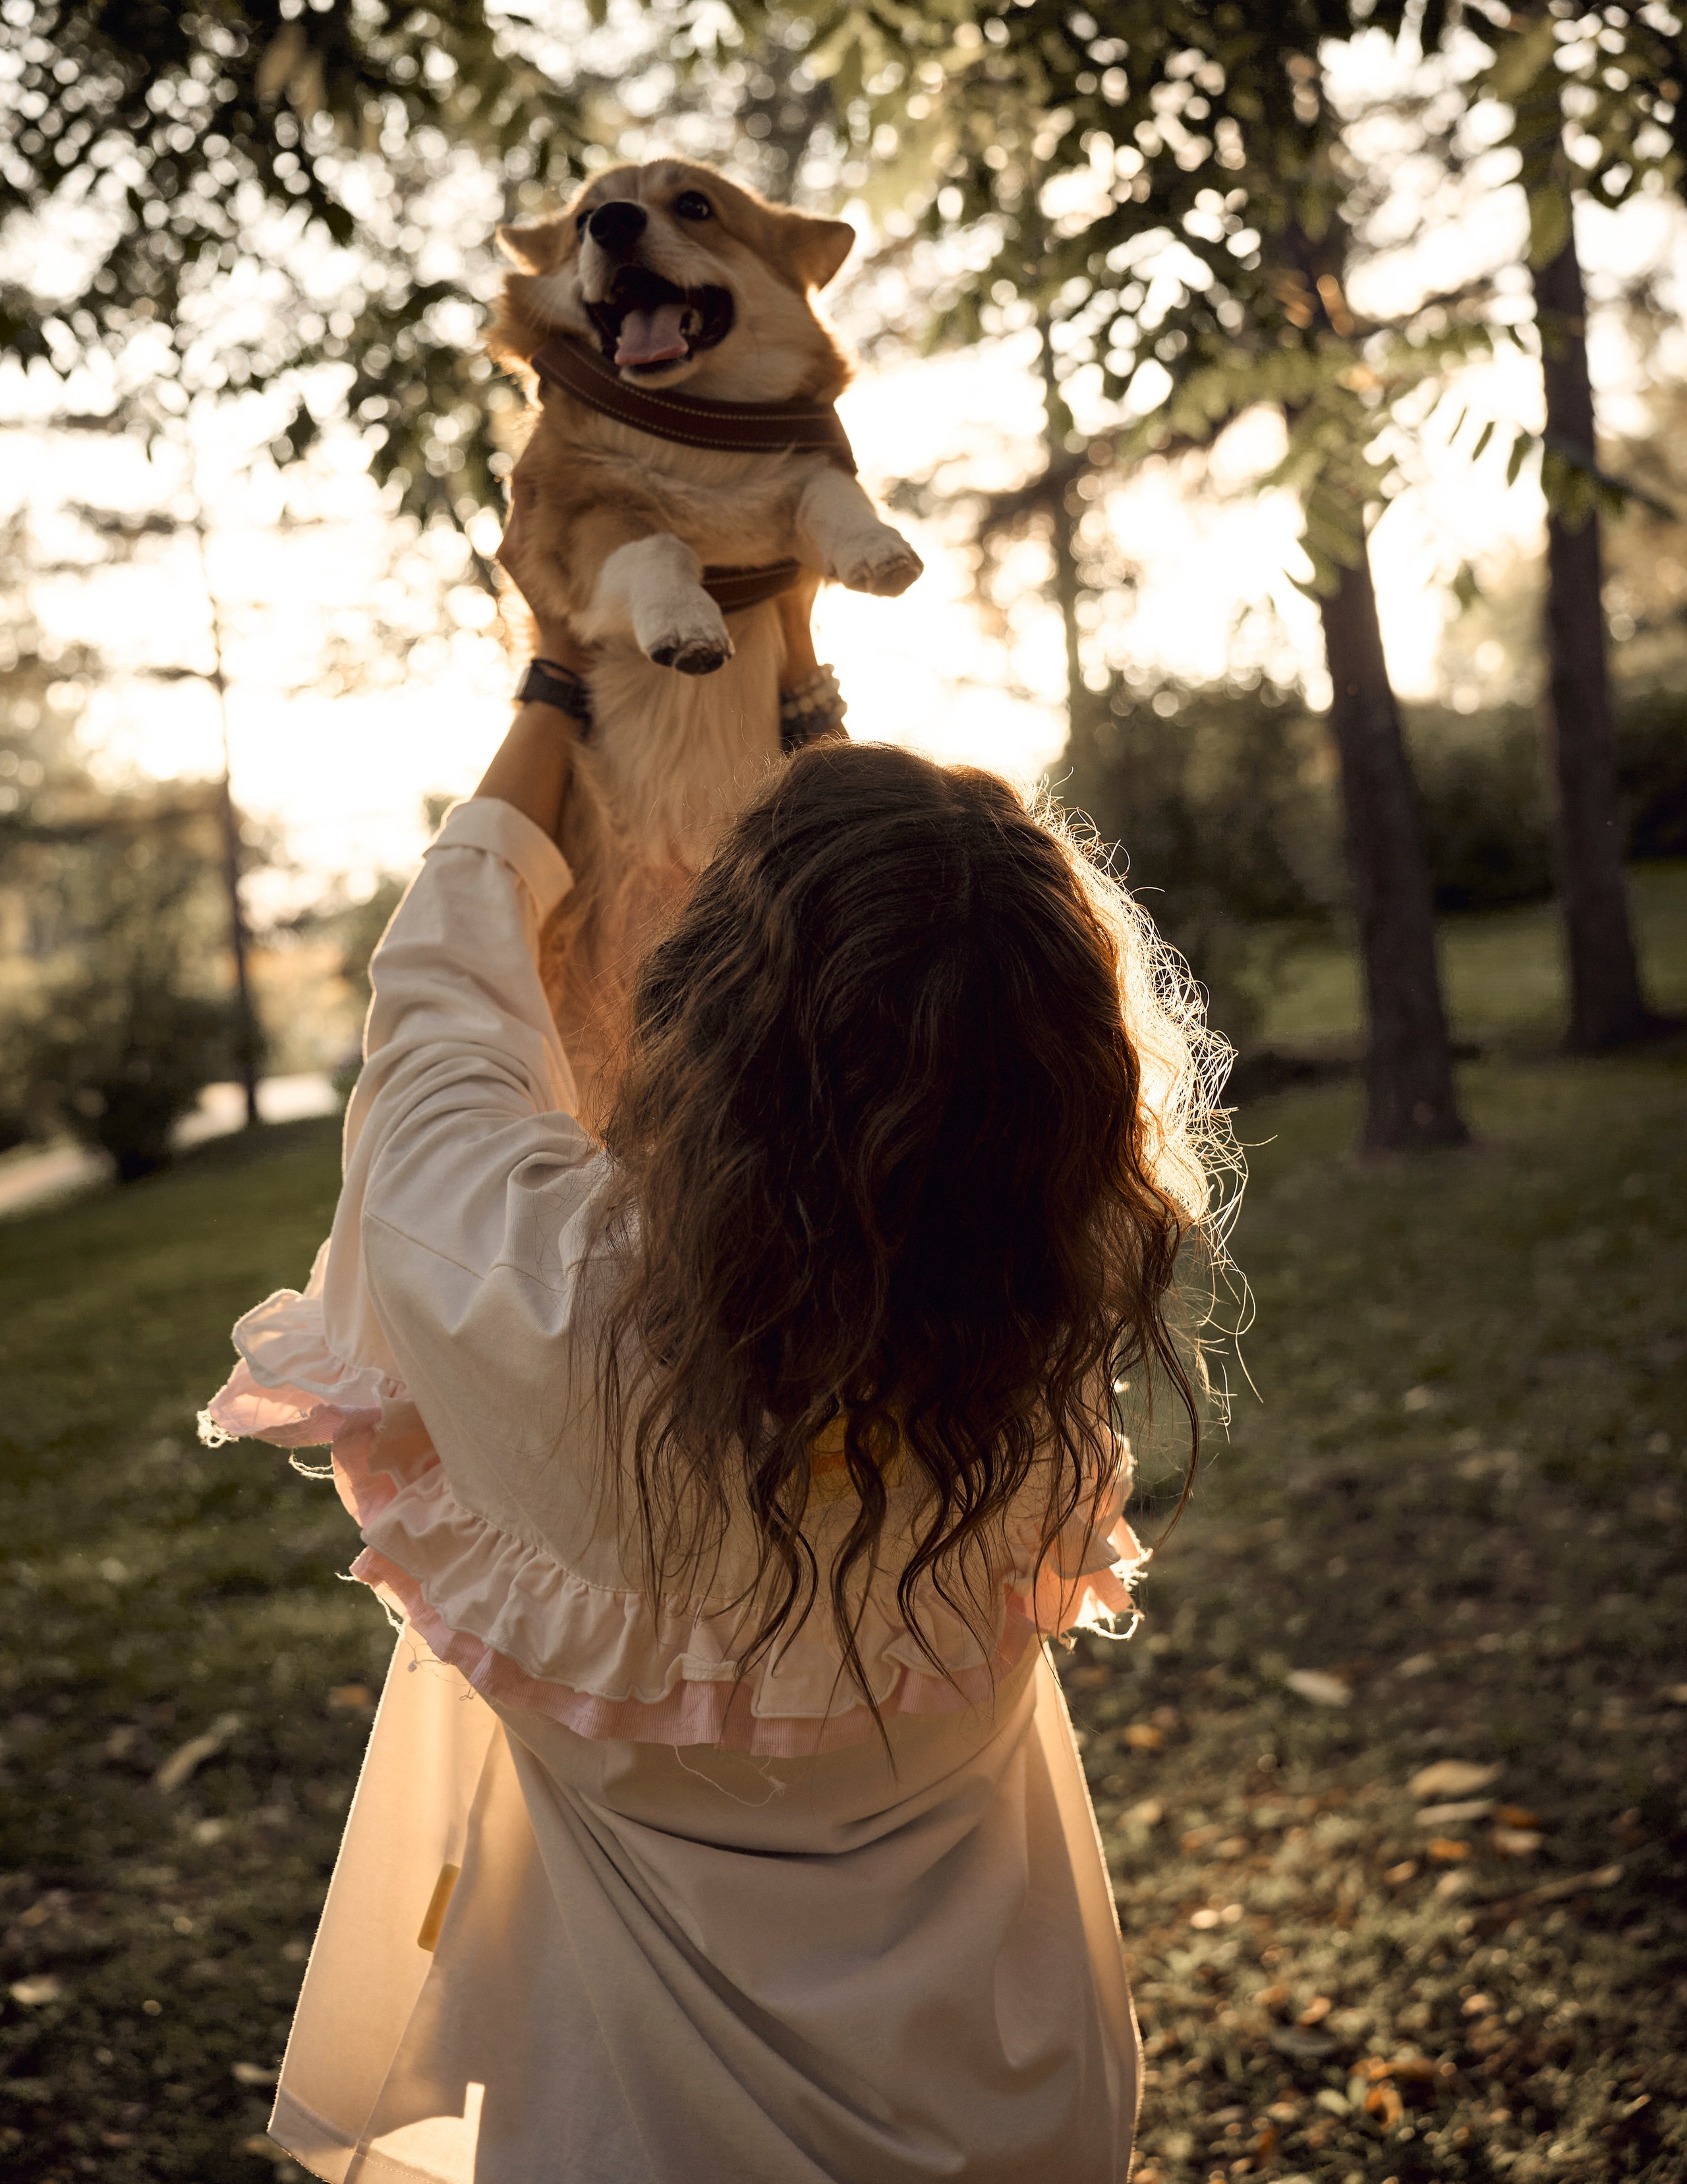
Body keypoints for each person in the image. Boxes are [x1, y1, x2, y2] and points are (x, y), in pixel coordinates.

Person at [201, 493, 1228, 2184]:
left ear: (699, 1015)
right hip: (1013, 2103)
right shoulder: (1047, 1281)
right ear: (1074, 1074)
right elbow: (940, 976)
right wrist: (802, 685)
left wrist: (553, 677)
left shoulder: (537, 1289)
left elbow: (439, 1014)